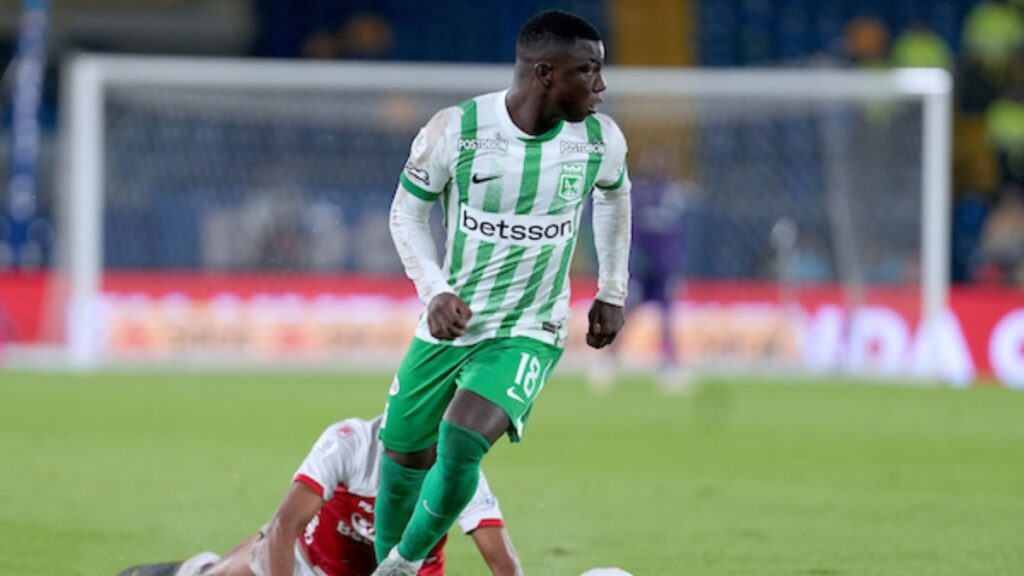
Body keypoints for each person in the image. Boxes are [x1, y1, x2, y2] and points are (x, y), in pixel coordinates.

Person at [374, 10, 630, 576]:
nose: (601, 86)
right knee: (402, 457)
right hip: (452, 322)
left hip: (529, 328)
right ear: (545, 74)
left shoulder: (597, 141)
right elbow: (406, 212)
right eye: (588, 71)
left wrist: (612, 288)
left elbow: (614, 197)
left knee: (462, 438)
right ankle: (389, 566)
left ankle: (403, 563)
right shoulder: (457, 131)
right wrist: (434, 291)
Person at [116, 416, 520, 576]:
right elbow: (285, 527)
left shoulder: (457, 472)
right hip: (311, 565)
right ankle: (200, 569)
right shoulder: (349, 442)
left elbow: (503, 565)